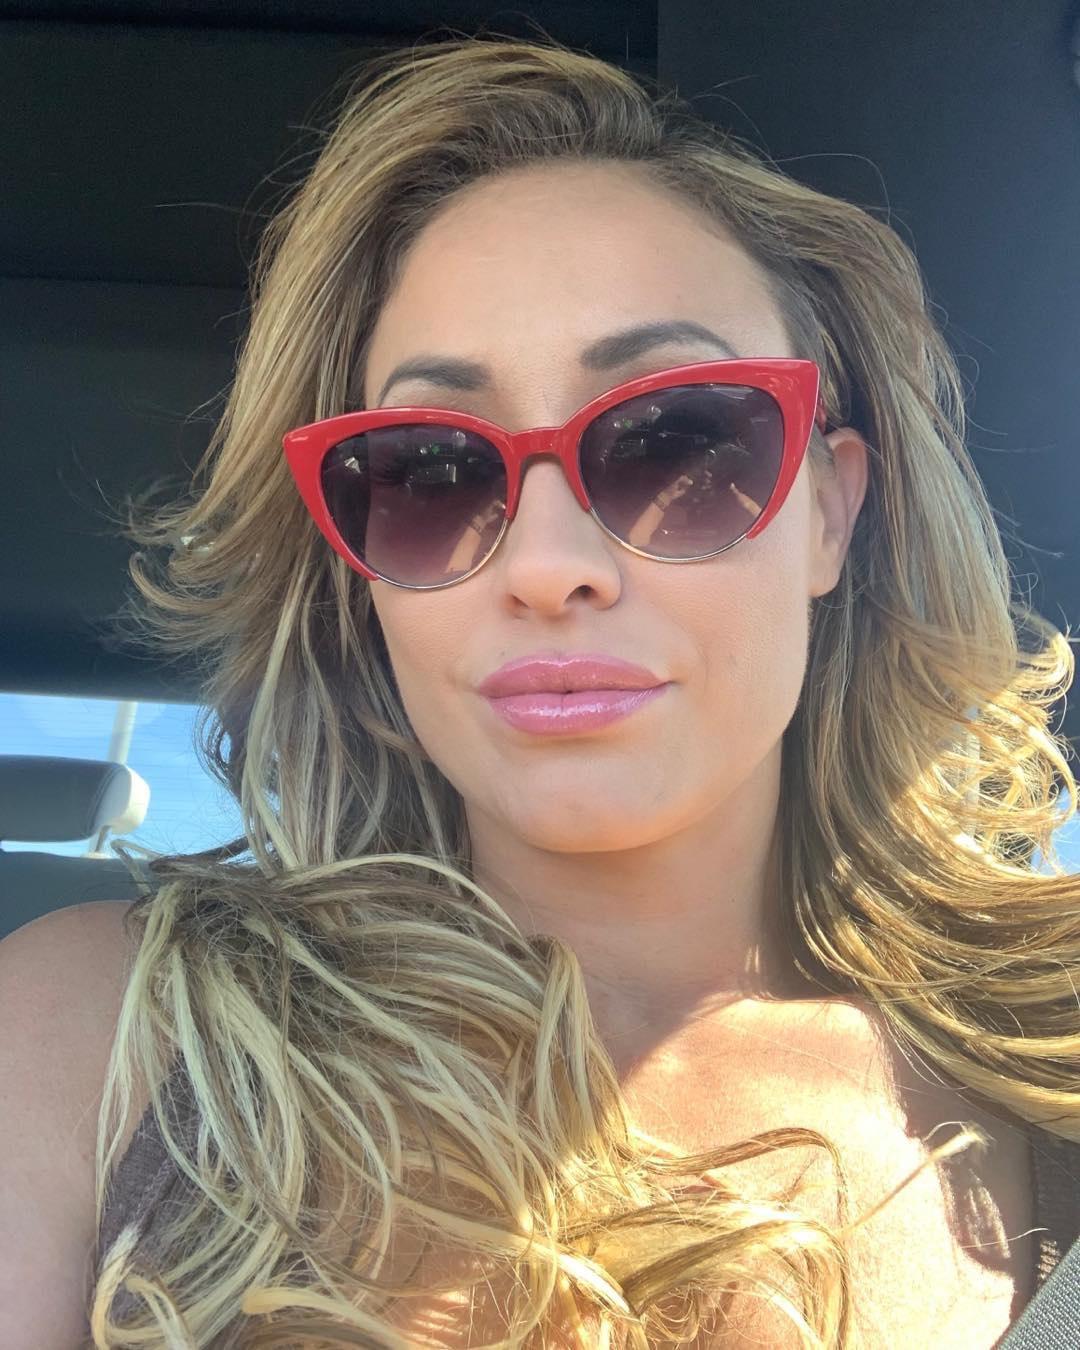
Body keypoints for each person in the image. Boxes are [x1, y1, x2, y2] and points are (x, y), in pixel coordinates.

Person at [3, 33, 1078, 1350]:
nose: (546, 565)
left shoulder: (1053, 1063)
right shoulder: (95, 1039)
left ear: (830, 513)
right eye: (430, 471)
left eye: (679, 443)